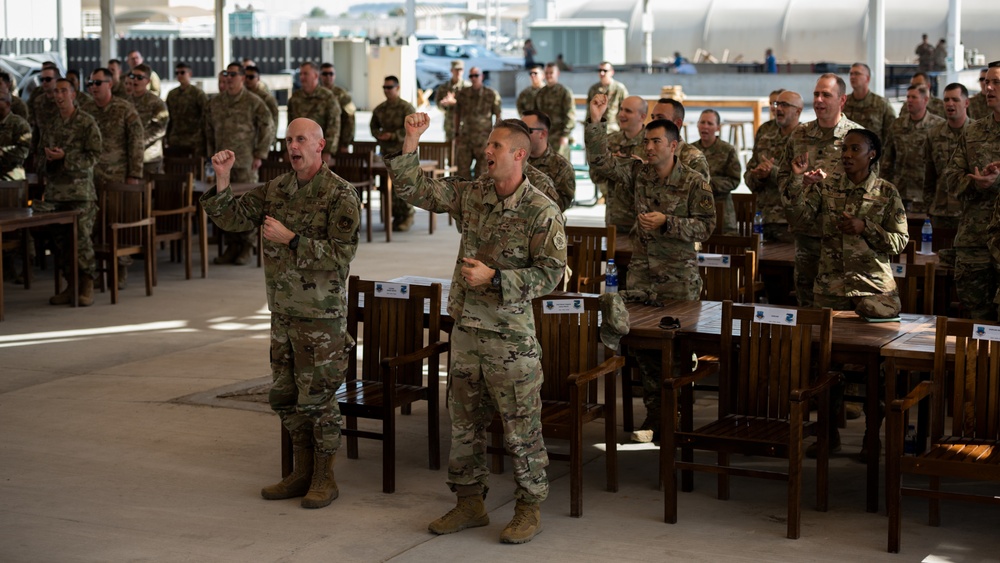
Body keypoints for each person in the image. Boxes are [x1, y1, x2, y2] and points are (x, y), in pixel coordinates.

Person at [386, 114, 566, 544]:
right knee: (465, 423)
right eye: (487, 145)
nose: (486, 152)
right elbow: (415, 189)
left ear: (519, 154)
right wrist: (411, 140)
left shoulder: (540, 209)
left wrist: (497, 278)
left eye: (496, 147)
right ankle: (469, 503)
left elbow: (551, 273)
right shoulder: (473, 194)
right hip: (466, 330)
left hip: (510, 339)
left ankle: (528, 506)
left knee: (520, 426)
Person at [201, 118, 361, 510]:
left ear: (320, 145)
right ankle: (301, 470)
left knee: (319, 401)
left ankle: (326, 477)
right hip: (283, 314)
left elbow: (341, 255)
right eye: (288, 139)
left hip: (321, 319)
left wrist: (292, 240)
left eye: (301, 139)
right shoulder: (277, 189)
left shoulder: (341, 195)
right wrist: (222, 179)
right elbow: (233, 218)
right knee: (285, 397)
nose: (293, 146)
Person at [588, 93, 715, 443]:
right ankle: (657, 414)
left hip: (678, 282)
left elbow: (706, 227)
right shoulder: (637, 173)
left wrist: (667, 222)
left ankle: (676, 417)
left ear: (673, 146)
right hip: (643, 277)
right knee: (643, 352)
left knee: (676, 355)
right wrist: (597, 122)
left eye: (655, 141)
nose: (648, 147)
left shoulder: (693, 181)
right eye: (646, 141)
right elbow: (600, 164)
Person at [786, 128, 908, 454]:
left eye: (855, 149)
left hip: (874, 293)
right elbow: (798, 219)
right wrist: (799, 183)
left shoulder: (886, 192)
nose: (847, 154)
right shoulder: (827, 188)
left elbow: (900, 241)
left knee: (876, 368)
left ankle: (873, 435)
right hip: (831, 289)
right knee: (826, 365)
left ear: (872, 155)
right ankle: (829, 435)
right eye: (844, 149)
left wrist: (867, 227)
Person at [777, 73, 862, 309]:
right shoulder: (800, 135)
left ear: (842, 100)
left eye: (826, 95)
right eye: (816, 94)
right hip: (807, 236)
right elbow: (783, 178)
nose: (819, 100)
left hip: (841, 239)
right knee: (806, 304)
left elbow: (871, 189)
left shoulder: (857, 137)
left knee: (841, 311)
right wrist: (799, 181)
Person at [204, 63, 275, 266]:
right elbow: (208, 130)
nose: (228, 78)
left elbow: (267, 126)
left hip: (245, 163)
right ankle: (231, 245)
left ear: (243, 78)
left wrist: (260, 153)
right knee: (224, 205)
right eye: (225, 74)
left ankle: (246, 245)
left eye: (233, 74)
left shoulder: (254, 102)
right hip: (222, 165)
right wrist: (211, 154)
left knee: (246, 206)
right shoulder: (215, 103)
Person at [40, 78, 102, 307]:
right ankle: (70, 285)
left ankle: (87, 284)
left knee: (81, 240)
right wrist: (47, 158)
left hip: (80, 193)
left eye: (63, 91)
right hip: (56, 194)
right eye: (55, 92)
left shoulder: (86, 122)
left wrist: (66, 157)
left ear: (73, 95)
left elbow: (94, 155)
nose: (58, 96)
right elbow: (37, 156)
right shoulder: (51, 124)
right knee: (60, 242)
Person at [953, 62, 1000, 320]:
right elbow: (951, 180)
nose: (989, 88)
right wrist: (975, 182)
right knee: (978, 323)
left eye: (996, 83)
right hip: (975, 242)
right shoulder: (973, 132)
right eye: (987, 82)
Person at [745, 90, 802, 245]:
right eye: (777, 104)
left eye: (784, 105)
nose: (778, 109)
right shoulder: (765, 139)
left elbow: (806, 182)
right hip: (762, 220)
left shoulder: (805, 140)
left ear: (798, 111)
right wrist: (759, 176)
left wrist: (773, 172)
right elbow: (748, 178)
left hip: (790, 223)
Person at [881, 84, 944, 213]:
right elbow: (887, 161)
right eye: (908, 97)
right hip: (900, 193)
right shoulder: (897, 125)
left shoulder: (938, 126)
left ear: (925, 100)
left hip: (925, 194)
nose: (909, 100)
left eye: (914, 97)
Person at [588, 95, 648, 231]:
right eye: (621, 109)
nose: (621, 114)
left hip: (642, 223)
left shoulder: (651, 144)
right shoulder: (610, 141)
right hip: (614, 221)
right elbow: (595, 176)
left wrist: (618, 165)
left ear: (642, 117)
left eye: (628, 111)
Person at [79, 67, 144, 188]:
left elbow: (136, 142)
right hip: (90, 177)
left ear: (109, 84)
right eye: (91, 83)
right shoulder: (85, 110)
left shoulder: (125, 109)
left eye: (98, 83)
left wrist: (134, 174)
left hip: (117, 176)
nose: (93, 87)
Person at [925, 83, 970, 234]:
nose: (950, 104)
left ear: (966, 103)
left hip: (968, 212)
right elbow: (929, 175)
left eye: (955, 99)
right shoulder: (934, 134)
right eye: (946, 100)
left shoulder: (978, 134)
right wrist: (929, 206)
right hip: (940, 212)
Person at [693, 109, 741, 234]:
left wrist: (709, 184)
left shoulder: (727, 150)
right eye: (702, 122)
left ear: (718, 128)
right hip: (696, 212)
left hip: (722, 212)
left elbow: (734, 180)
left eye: (710, 123)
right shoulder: (690, 150)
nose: (705, 127)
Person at [453, 66, 502, 181]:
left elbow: (498, 116)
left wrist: (497, 137)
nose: (473, 78)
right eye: (471, 76)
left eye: (476, 75)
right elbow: (457, 115)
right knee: (462, 173)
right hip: (466, 138)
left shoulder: (491, 94)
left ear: (482, 76)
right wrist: (456, 133)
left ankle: (480, 198)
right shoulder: (462, 94)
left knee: (483, 174)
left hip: (484, 140)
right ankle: (463, 198)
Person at [522, 110, 575, 212]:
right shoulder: (514, 160)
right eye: (519, 130)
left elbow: (559, 207)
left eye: (527, 130)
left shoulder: (561, 166)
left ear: (542, 134)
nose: (521, 135)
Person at [288, 62, 342, 160]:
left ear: (316, 75)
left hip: (319, 150)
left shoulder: (328, 97)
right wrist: (286, 149)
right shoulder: (295, 98)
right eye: (300, 74)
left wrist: (328, 151)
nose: (302, 77)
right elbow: (290, 126)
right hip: (299, 150)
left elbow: (334, 126)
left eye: (306, 74)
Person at [649, 98, 711, 180]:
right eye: (653, 117)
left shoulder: (693, 159)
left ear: (677, 124)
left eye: (660, 118)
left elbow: (700, 191)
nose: (653, 123)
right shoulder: (645, 151)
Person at [127, 64, 169, 176]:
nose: (135, 80)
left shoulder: (156, 103)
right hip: (129, 157)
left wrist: (138, 141)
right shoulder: (125, 102)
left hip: (149, 158)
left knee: (152, 192)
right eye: (133, 76)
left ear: (148, 81)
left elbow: (160, 129)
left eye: (139, 77)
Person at [843, 63, 896, 145]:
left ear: (867, 78)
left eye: (857, 73)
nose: (852, 77)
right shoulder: (843, 103)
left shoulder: (881, 104)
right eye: (851, 74)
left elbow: (891, 136)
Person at [533, 63, 575, 159]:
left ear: (557, 74)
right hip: (543, 137)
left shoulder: (564, 92)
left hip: (559, 137)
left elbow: (570, 116)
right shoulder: (540, 93)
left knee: (560, 167)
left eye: (551, 73)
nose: (548, 75)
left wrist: (565, 135)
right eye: (546, 73)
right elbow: (535, 116)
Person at [165, 62, 207, 157]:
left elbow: (205, 116)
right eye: (177, 73)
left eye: (182, 72)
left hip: (193, 139)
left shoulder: (197, 94)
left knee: (193, 169)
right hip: (175, 139)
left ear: (190, 74)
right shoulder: (172, 94)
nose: (179, 75)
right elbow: (168, 117)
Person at [319, 63, 356, 152]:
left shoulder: (343, 95)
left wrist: (345, 143)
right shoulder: (317, 94)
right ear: (320, 75)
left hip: (338, 142)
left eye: (331, 74)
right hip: (317, 141)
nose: (328, 76)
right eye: (325, 74)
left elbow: (350, 119)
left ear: (334, 76)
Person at [585, 62, 628, 132]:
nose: (602, 73)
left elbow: (626, 112)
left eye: (605, 71)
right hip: (596, 130)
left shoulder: (619, 88)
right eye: (599, 70)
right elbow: (589, 112)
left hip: (613, 130)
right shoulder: (593, 89)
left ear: (612, 72)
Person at [434, 61, 469, 144]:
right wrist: (444, 104)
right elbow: (438, 104)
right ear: (451, 70)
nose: (458, 72)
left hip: (464, 126)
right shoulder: (444, 87)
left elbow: (471, 106)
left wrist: (455, 103)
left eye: (460, 69)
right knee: (450, 152)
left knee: (463, 153)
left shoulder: (467, 87)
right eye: (456, 69)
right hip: (449, 125)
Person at [0, 86, 31, 181]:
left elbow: (23, 151)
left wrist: (1, 152)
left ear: (7, 104)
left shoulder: (19, 124)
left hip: (10, 176)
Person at [244, 66, 279, 135]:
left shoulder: (267, 98)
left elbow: (274, 121)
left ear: (258, 78)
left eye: (251, 77)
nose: (247, 80)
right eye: (245, 77)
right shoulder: (241, 97)